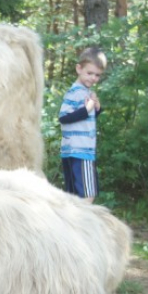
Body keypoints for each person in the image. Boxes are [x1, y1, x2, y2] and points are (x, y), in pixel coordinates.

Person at [58, 47, 108, 203]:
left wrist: (96, 109)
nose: (93, 78)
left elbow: (84, 120)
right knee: (87, 195)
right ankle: (84, 226)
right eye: (90, 73)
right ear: (79, 68)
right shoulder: (76, 92)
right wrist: (87, 109)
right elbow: (64, 117)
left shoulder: (84, 92)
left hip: (73, 151)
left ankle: (71, 226)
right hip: (80, 151)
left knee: (74, 198)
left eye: (97, 75)